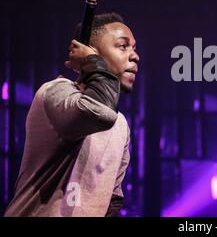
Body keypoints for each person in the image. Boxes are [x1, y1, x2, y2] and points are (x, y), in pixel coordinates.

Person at [4, 13, 140, 217]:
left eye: (134, 48)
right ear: (90, 53)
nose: (135, 56)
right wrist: (93, 62)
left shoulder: (121, 125)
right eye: (122, 46)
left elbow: (111, 199)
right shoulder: (55, 92)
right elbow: (98, 112)